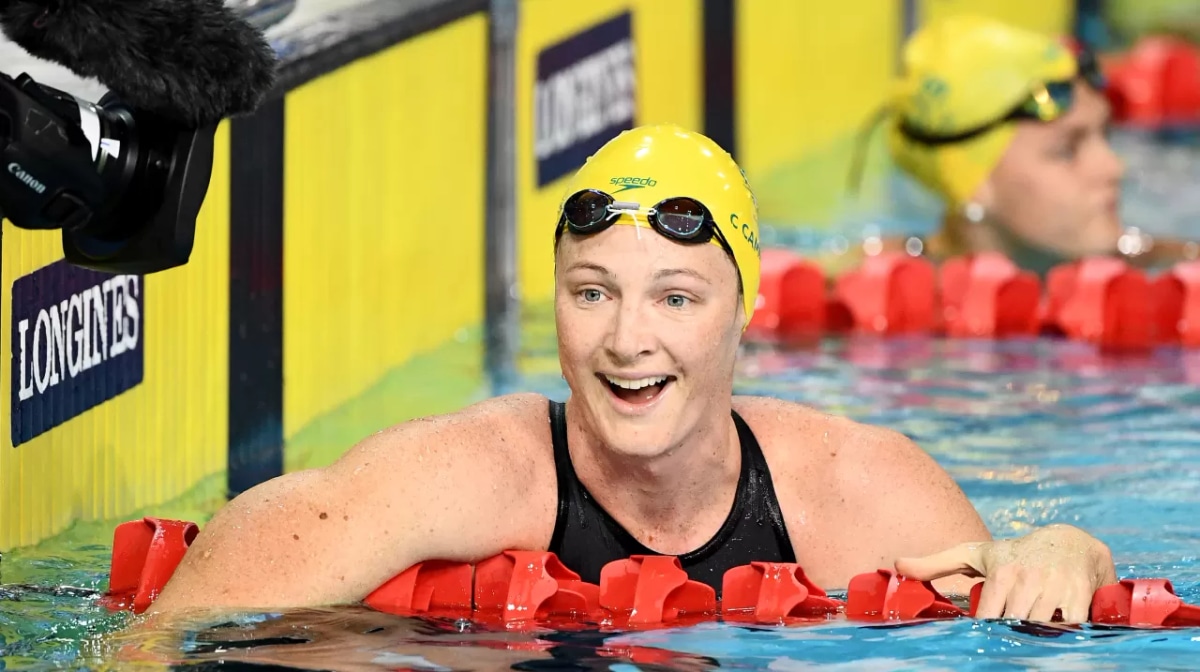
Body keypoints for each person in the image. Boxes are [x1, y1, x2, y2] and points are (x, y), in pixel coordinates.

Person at [149, 124, 1117, 624]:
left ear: (748, 311)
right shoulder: (485, 469)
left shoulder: (853, 490)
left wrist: (1069, 547)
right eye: (593, 292)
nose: (626, 342)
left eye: (677, 299)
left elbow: (1026, 588)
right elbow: (210, 590)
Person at [857, 14, 1196, 274]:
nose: (1113, 167)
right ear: (975, 182)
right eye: (1067, 150)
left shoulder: (1161, 259)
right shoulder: (871, 278)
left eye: (1104, 136)